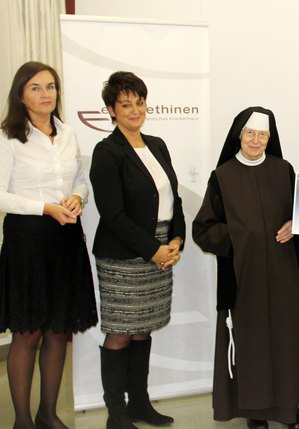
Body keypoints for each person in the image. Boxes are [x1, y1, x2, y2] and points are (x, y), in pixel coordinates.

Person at [192, 106, 299, 429]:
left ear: (270, 137)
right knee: (251, 343)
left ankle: (288, 407)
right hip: (243, 277)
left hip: (284, 276)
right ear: (240, 135)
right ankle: (255, 410)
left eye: (262, 134)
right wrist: (240, 236)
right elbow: (203, 229)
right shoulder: (221, 177)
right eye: (250, 133)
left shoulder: (284, 170)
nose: (256, 140)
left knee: (286, 341)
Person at [0, 61, 98, 429]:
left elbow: (81, 180)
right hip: (27, 241)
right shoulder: (8, 137)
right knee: (27, 333)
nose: (46, 94)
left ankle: (47, 414)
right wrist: (45, 208)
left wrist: (76, 196)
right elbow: (1, 196)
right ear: (21, 95)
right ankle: (22, 420)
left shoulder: (68, 132)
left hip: (65, 239)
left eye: (51, 87)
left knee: (59, 328)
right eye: (36, 88)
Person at [90, 71, 186, 429]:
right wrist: (153, 250)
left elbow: (173, 199)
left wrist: (175, 240)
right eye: (125, 104)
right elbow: (113, 214)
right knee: (120, 330)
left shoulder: (157, 144)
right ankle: (116, 412)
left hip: (161, 248)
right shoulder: (107, 152)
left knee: (144, 327)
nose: (135, 110)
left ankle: (140, 404)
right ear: (111, 111)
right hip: (123, 255)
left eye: (140, 102)